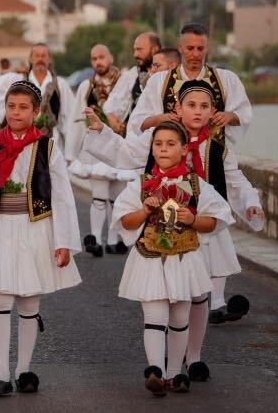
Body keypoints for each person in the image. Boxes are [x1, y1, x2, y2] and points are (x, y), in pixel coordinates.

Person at [84, 79, 264, 381]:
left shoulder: (218, 149)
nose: (197, 112)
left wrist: (250, 202)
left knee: (197, 295)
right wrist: (100, 130)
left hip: (203, 231)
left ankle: (192, 358)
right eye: (191, 105)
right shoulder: (160, 138)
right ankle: (167, 361)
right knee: (171, 294)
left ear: (212, 111)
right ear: (178, 108)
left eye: (204, 106)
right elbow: (125, 153)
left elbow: (236, 181)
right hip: (161, 230)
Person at [0, 82, 81, 397]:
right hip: (0, 226)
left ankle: (24, 370)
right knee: (0, 298)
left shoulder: (47, 147)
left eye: (23, 107)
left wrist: (63, 241)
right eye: (11, 106)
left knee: (29, 299)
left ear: (36, 112)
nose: (15, 112)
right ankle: (0, 374)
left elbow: (64, 197)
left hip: (35, 227)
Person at [110, 120, 233, 397]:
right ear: (151, 149)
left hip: (185, 258)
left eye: (170, 144)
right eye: (158, 144)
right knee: (154, 315)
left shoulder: (197, 186)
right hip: (149, 256)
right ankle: (156, 370)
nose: (163, 149)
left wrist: (193, 219)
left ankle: (176, 372)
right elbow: (124, 221)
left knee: (179, 316)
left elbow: (218, 220)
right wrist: (143, 211)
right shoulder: (140, 185)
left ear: (184, 148)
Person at [127, 24, 252, 146]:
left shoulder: (226, 79)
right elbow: (138, 122)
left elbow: (244, 114)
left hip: (214, 161)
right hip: (172, 162)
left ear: (206, 48)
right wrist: (159, 119)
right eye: (190, 48)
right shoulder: (159, 81)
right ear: (180, 47)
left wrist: (230, 116)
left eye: (200, 48)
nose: (196, 54)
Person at [64, 44, 131, 257]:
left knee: (117, 197)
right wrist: (70, 151)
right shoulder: (86, 86)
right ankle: (94, 238)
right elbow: (76, 118)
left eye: (101, 57)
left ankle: (113, 239)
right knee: (99, 195)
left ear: (110, 58)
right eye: (94, 58)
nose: (98, 62)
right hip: (95, 148)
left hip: (121, 145)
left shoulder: (125, 82)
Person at [102, 32, 160, 134]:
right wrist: (111, 117)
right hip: (136, 140)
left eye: (139, 49)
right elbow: (112, 103)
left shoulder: (169, 73)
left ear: (154, 49)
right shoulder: (131, 75)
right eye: (134, 50)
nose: (135, 54)